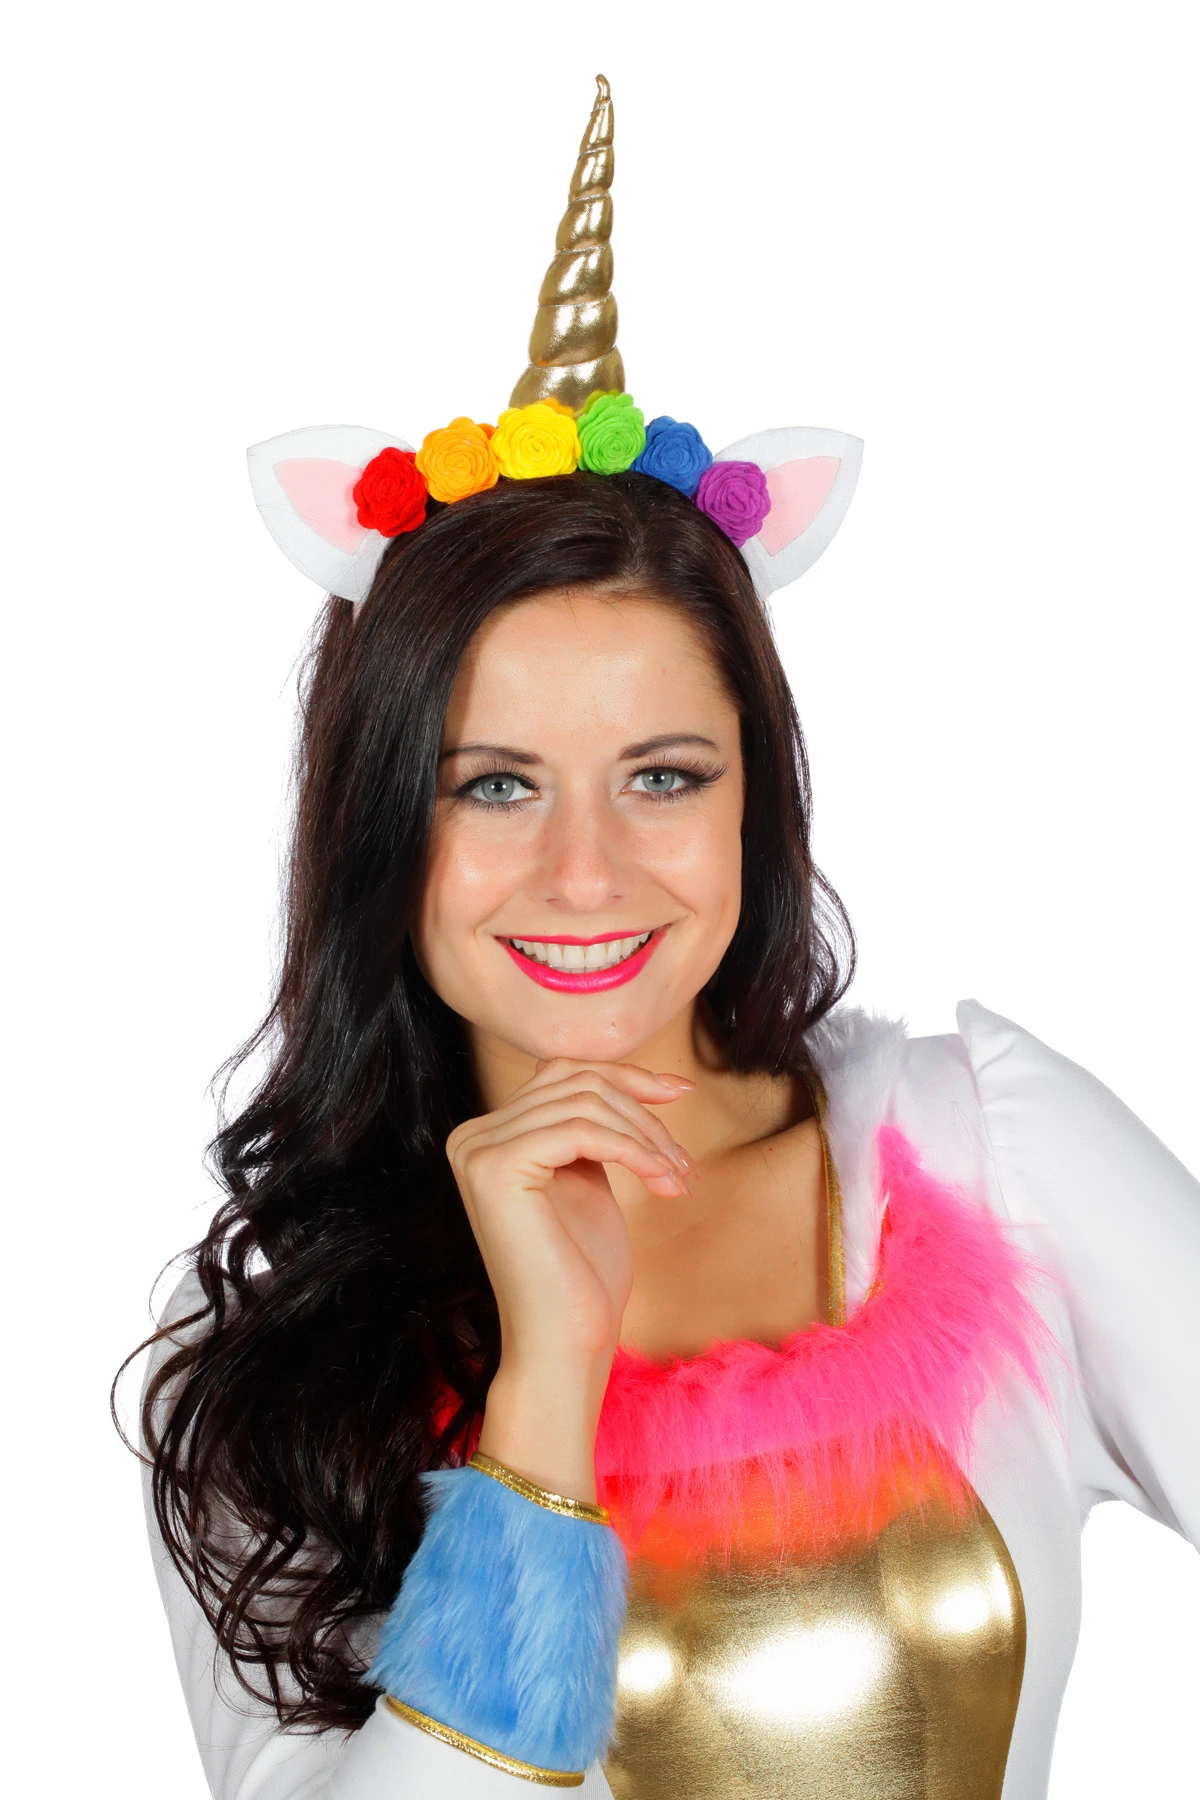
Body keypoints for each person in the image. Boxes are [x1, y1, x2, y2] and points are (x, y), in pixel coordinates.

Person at [127, 77, 1199, 1800]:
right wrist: (546, 1385)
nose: (586, 873)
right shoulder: (269, 1366)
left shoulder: (986, 1156)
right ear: (382, 821)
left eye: (663, 776)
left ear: (753, 800)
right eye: (495, 785)